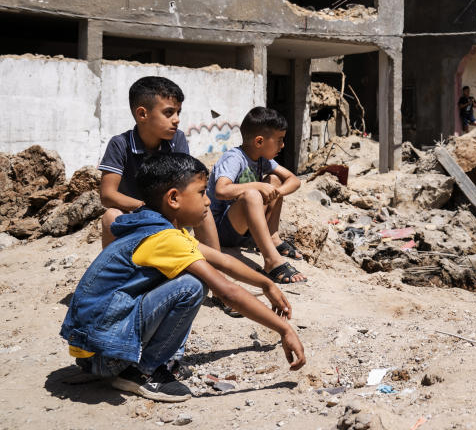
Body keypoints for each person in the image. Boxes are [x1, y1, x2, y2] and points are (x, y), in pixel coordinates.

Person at [61, 153, 305, 403]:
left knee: (184, 275)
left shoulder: (154, 225)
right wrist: (283, 329)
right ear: (174, 198)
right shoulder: (166, 239)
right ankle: (144, 372)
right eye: (201, 193)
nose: (208, 202)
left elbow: (222, 261)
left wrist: (266, 284)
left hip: (91, 349)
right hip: (103, 350)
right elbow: (227, 291)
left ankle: (117, 363)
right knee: (192, 286)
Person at [98, 76, 219, 251]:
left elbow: (188, 185)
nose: (176, 119)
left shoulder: (177, 140)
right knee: (111, 216)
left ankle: (215, 267)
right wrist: (146, 208)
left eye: (178, 112)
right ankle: (113, 274)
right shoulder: (120, 144)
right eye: (169, 113)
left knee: (202, 207)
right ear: (142, 114)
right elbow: (108, 195)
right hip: (137, 215)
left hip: (171, 212)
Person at [207, 107, 306, 284]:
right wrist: (256, 186)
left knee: (275, 180)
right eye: (279, 140)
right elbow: (221, 191)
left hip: (241, 228)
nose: (283, 146)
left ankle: (273, 238)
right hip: (221, 230)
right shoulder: (234, 158)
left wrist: (275, 192)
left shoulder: (262, 159)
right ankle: (271, 261)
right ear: (259, 141)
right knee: (252, 194)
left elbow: (293, 180)